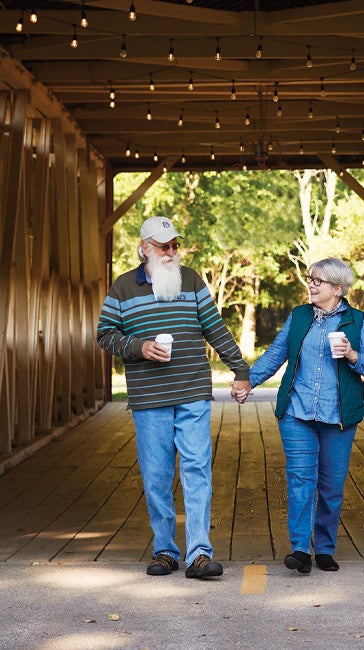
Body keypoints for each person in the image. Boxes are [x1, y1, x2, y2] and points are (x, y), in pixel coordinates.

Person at [97, 216, 251, 579]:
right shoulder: (122, 288)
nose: (171, 251)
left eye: (174, 245)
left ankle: (199, 554)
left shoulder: (192, 280)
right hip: (149, 397)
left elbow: (214, 326)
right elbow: (105, 334)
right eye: (164, 245)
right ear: (144, 248)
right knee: (156, 474)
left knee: (197, 468)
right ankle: (165, 550)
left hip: (193, 390)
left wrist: (240, 370)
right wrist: (139, 346)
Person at [246, 258, 364, 574]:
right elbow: (275, 356)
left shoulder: (358, 321)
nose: (311, 284)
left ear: (337, 288)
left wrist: (351, 355)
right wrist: (246, 381)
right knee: (300, 480)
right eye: (310, 279)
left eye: (318, 281)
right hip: (298, 412)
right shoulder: (299, 316)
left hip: (339, 418)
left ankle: (324, 548)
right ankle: (299, 550)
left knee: (332, 486)